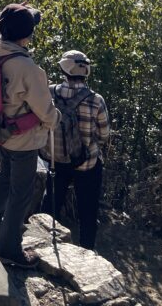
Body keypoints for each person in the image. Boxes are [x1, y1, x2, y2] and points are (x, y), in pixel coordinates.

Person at [0, 3, 61, 268]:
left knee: (3, 177)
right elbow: (45, 110)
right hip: (23, 138)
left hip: (0, 130)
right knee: (20, 193)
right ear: (28, 35)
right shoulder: (27, 68)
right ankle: (9, 248)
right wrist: (55, 120)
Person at [41, 50, 111, 250]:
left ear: (64, 69)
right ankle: (86, 250)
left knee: (50, 206)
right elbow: (104, 134)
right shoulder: (96, 100)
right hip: (86, 162)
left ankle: (44, 245)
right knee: (88, 211)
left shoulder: (49, 93)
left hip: (55, 160)